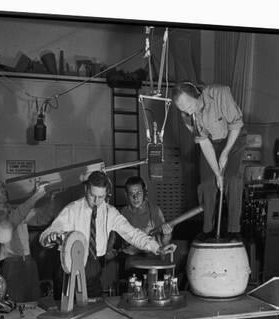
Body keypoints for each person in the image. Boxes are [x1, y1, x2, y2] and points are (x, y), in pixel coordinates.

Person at [39, 171, 176, 297]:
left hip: (93, 265)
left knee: (94, 309)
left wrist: (157, 247)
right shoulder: (72, 210)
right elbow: (47, 234)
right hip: (68, 267)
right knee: (65, 311)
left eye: (101, 197)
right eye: (93, 195)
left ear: (106, 194)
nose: (96, 201)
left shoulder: (111, 213)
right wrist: (50, 237)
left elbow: (133, 234)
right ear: (86, 189)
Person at [172, 82, 247, 242]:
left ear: (196, 95)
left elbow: (236, 125)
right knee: (207, 184)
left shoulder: (219, 93)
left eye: (188, 105)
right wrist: (217, 174)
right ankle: (208, 230)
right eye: (182, 109)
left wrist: (226, 152)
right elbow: (204, 143)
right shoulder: (187, 115)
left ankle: (234, 230)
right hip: (212, 143)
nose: (186, 111)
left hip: (233, 138)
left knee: (232, 181)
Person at [0, 175, 45, 303]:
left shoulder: (15, 210)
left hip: (29, 263)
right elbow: (11, 223)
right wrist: (35, 196)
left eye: (3, 186)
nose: (4, 189)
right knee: (14, 310)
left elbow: (42, 217)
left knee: (34, 307)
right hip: (10, 266)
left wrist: (50, 196)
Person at [112, 176, 173, 269]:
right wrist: (109, 249)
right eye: (131, 193)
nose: (135, 197)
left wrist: (167, 234)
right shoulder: (122, 213)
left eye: (138, 193)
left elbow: (165, 242)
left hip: (153, 259)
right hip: (130, 260)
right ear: (126, 194)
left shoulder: (155, 211)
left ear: (144, 193)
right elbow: (114, 238)